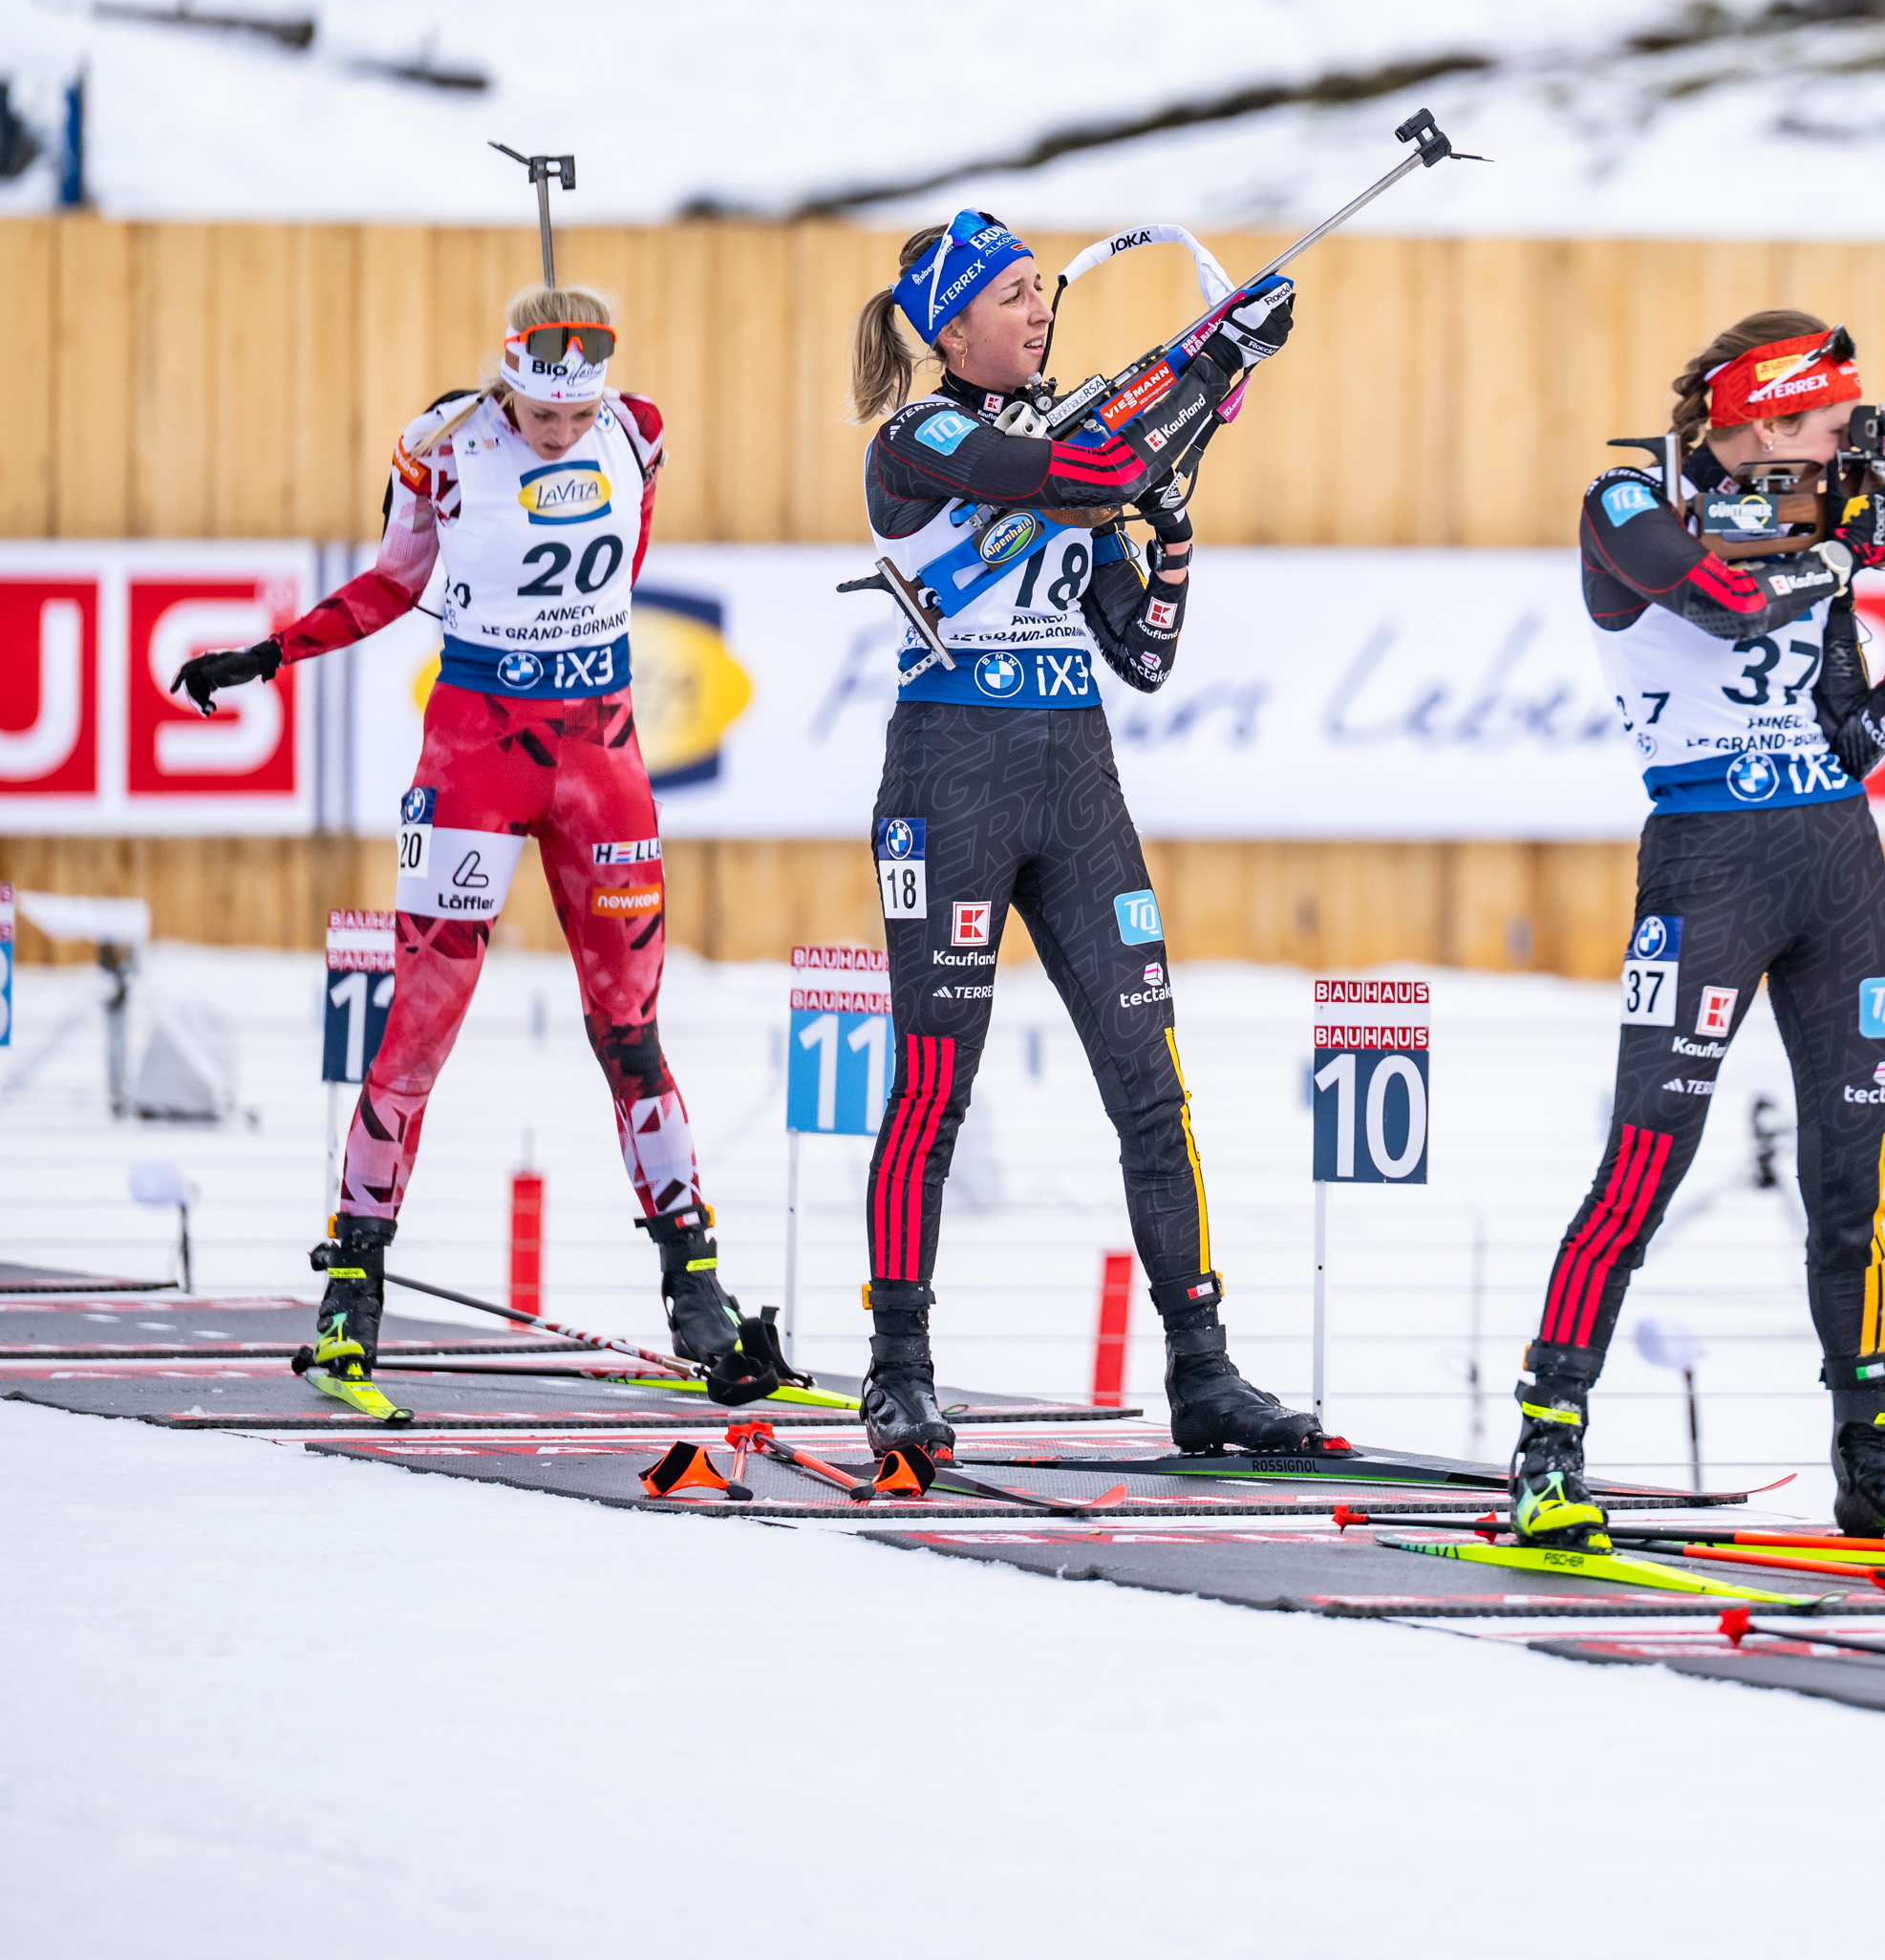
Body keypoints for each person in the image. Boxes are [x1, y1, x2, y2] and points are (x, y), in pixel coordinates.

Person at [168, 288, 737, 1391]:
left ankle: (694, 1280)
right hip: (473, 755)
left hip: (601, 760)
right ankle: (353, 1283)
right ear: (504, 382)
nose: (563, 432)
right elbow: (394, 581)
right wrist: (270, 655)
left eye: (578, 417)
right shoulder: (443, 448)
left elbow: (625, 561)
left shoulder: (640, 429)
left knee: (629, 1028)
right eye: (540, 414)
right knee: (419, 1026)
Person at [1506, 314, 1885, 1553]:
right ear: (1771, 421)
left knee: (1854, 1169)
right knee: (1646, 1158)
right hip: (1709, 857)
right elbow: (1724, 601)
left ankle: (1869, 1445)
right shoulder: (1631, 500)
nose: (1851, 454)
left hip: (1837, 854)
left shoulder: (1821, 536)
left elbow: (1855, 739)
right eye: (1836, 428)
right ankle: (1549, 1435)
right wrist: (1855, 547)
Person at [845, 211, 1301, 1461]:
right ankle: (898, 1367)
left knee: (1150, 1078)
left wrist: (1177, 530)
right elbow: (1080, 476)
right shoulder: (921, 434)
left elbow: (1144, 653)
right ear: (950, 328)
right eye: (1011, 297)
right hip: (955, 771)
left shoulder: (1073, 432)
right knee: (936, 1082)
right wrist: (1209, 369)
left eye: (1044, 291)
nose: (1040, 313)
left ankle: (1204, 1370)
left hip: (1077, 770)